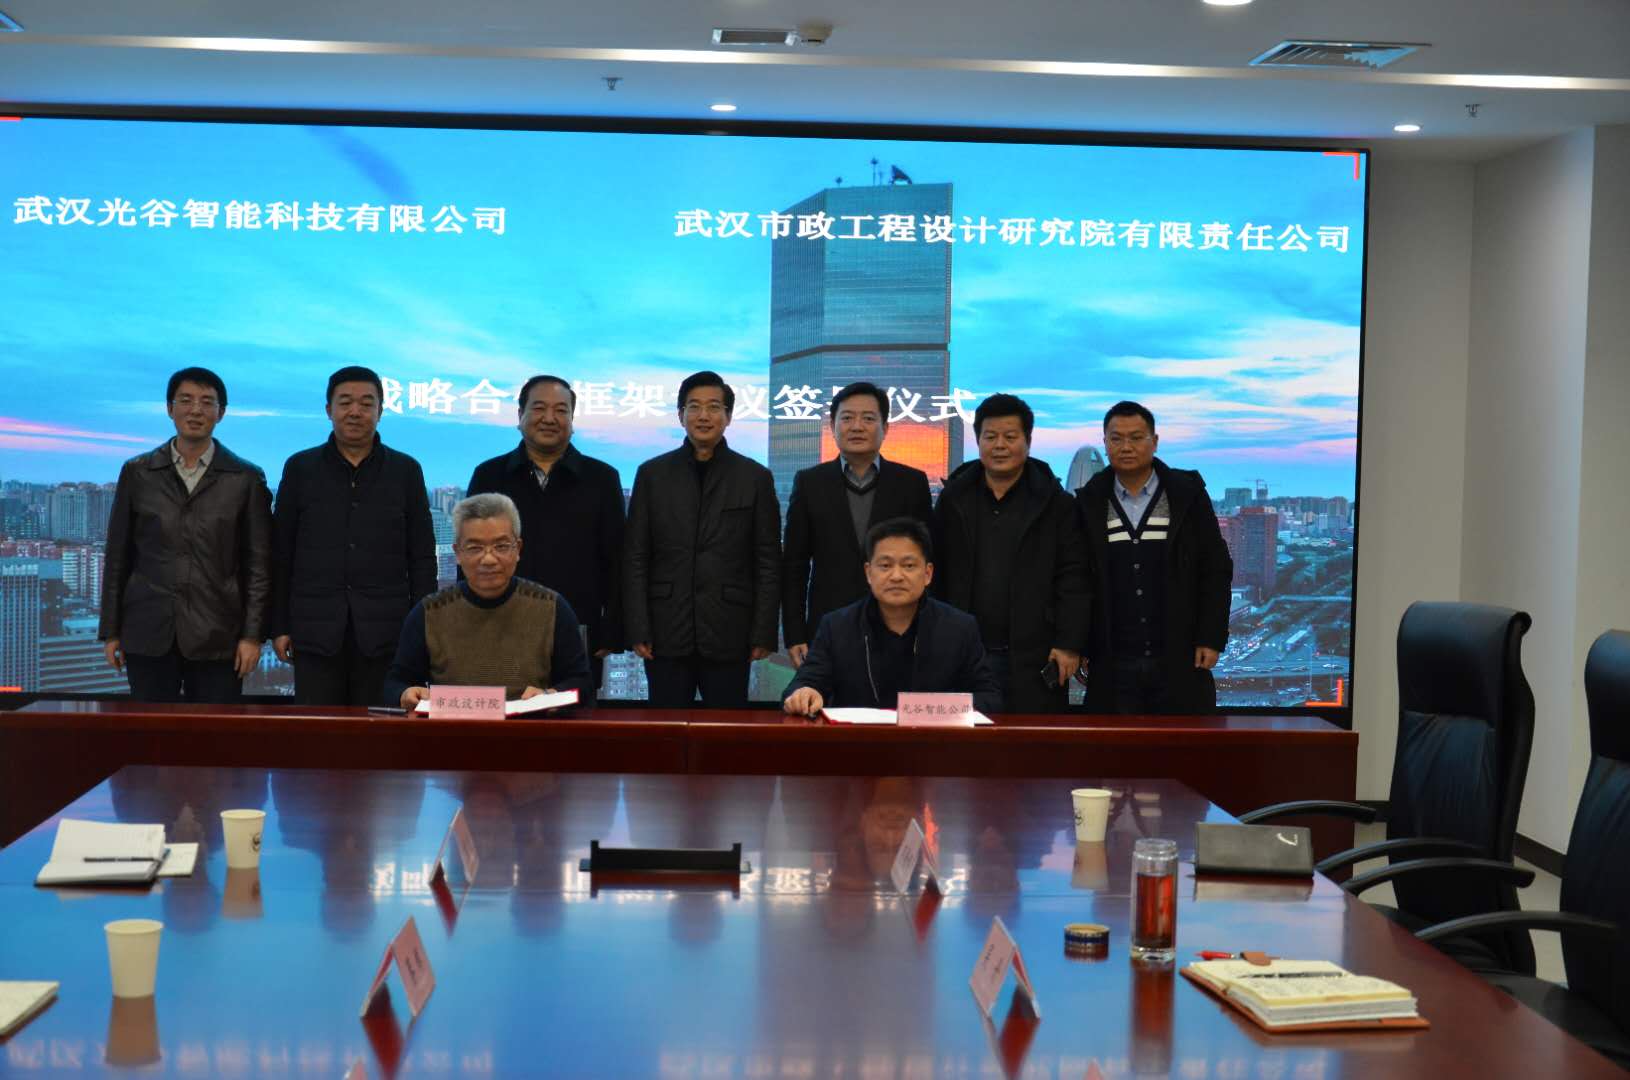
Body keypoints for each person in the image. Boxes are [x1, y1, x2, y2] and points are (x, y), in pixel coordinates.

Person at [99, 366, 272, 703]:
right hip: (147, 630)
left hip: (218, 633)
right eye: (186, 400)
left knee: (214, 731)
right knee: (150, 730)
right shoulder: (138, 472)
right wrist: (111, 631)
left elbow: (259, 565)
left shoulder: (245, 478)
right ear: (170, 408)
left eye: (207, 402)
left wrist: (253, 636)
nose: (196, 410)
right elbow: (118, 555)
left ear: (221, 412)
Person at [270, 366, 437, 705]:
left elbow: (421, 557)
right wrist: (279, 625)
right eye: (345, 402)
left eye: (366, 403)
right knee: (319, 729)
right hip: (314, 630)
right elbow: (281, 552)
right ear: (328, 409)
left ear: (380, 411)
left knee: (380, 727)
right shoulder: (300, 468)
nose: (355, 411)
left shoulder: (406, 470)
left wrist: (422, 628)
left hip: (386, 633)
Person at [624, 370, 779, 707]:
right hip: (665, 629)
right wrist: (637, 626)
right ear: (681, 415)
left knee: (727, 730)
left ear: (728, 416)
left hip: (731, 629)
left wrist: (763, 631)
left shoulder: (754, 477)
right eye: (694, 407)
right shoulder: (652, 474)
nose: (703, 415)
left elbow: (768, 560)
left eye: (713, 407)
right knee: (665, 727)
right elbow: (635, 555)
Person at [466, 374, 625, 694]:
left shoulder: (602, 479)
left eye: (561, 410)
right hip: (500, 625)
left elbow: (618, 559)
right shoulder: (489, 475)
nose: (550, 418)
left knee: (573, 718)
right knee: (502, 715)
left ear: (572, 420)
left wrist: (613, 628)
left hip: (578, 628)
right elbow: (471, 554)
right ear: (520, 415)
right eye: (539, 408)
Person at [932, 393, 1088, 714]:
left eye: (1010, 436)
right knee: (964, 739)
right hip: (963, 652)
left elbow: (1074, 578)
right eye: (990, 437)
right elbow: (935, 571)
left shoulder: (1056, 504)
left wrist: (1069, 643)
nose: (999, 445)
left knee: (1033, 739)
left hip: (1037, 654)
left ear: (1028, 442)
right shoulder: (953, 499)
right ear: (978, 441)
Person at [1075, 400, 1233, 714]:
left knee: (1183, 743)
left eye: (1136, 437)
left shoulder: (1186, 496)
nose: (1126, 447)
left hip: (1180, 656)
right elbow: (1078, 578)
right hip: (1112, 662)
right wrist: (1079, 644)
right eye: (1116, 439)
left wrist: (1211, 636)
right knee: (1114, 744)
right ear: (1105, 443)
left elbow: (1215, 569)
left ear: (1155, 441)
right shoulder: (1089, 502)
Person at [382, 493, 591, 710]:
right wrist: (405, 693)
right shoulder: (429, 612)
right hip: (453, 728)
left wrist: (549, 697)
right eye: (475, 548)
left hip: (530, 727)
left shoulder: (551, 607)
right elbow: (395, 683)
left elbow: (582, 684)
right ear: (457, 553)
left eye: (501, 546)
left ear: (518, 549)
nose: (489, 559)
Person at [781, 381, 933, 668]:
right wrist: (794, 633)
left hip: (901, 624)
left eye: (868, 418)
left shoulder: (911, 483)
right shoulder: (810, 483)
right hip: (828, 625)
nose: (857, 427)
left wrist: (927, 627)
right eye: (847, 418)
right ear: (833, 426)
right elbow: (794, 565)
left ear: (885, 428)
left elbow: (926, 560)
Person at [783, 518, 1000, 716]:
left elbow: (989, 698)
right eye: (885, 565)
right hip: (859, 742)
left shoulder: (959, 628)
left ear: (928, 574)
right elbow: (801, 686)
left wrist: (933, 710)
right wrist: (805, 693)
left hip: (933, 743)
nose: (896, 576)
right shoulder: (837, 626)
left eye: (908, 565)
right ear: (869, 573)